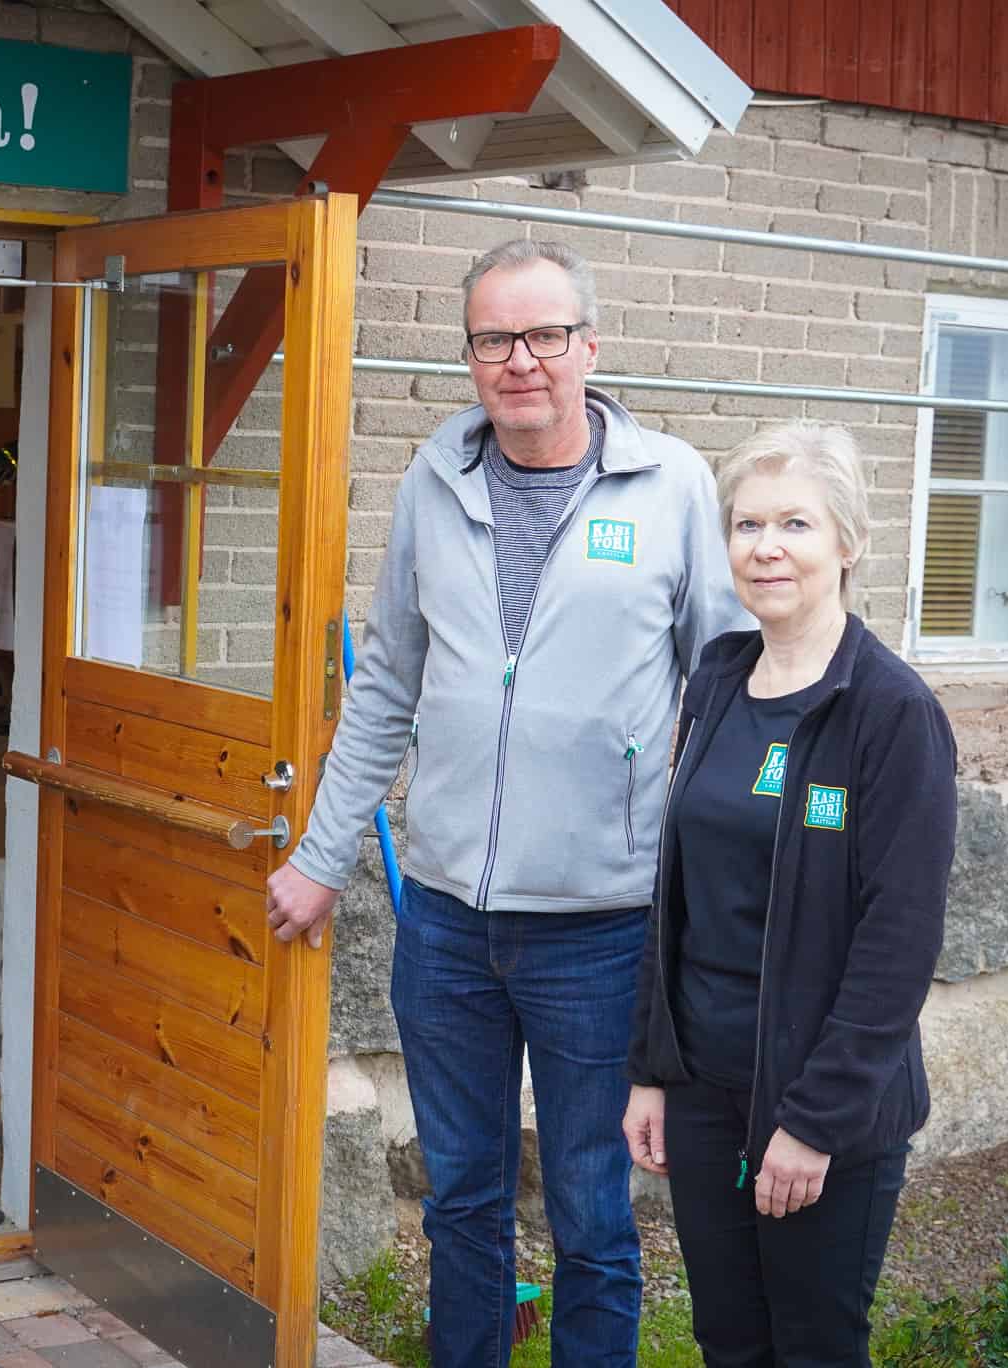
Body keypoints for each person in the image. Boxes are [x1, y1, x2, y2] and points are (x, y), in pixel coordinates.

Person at [265, 238, 750, 1367]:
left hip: (601, 931)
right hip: (446, 925)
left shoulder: (673, 485)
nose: (520, 360)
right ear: (470, 356)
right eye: (493, 339)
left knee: (590, 1217)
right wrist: (322, 856)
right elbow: (386, 684)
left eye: (543, 335)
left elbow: (727, 693)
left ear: (591, 346)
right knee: (462, 1207)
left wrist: (710, 899)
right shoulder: (433, 482)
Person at [622, 421, 957, 1368]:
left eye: (796, 524)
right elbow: (675, 893)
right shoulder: (718, 678)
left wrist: (812, 1124)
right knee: (728, 1341)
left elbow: (898, 945)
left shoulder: (891, 713)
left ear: (848, 544)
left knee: (813, 1348)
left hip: (821, 1104)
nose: (766, 547)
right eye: (748, 524)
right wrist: (651, 1068)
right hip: (702, 1088)